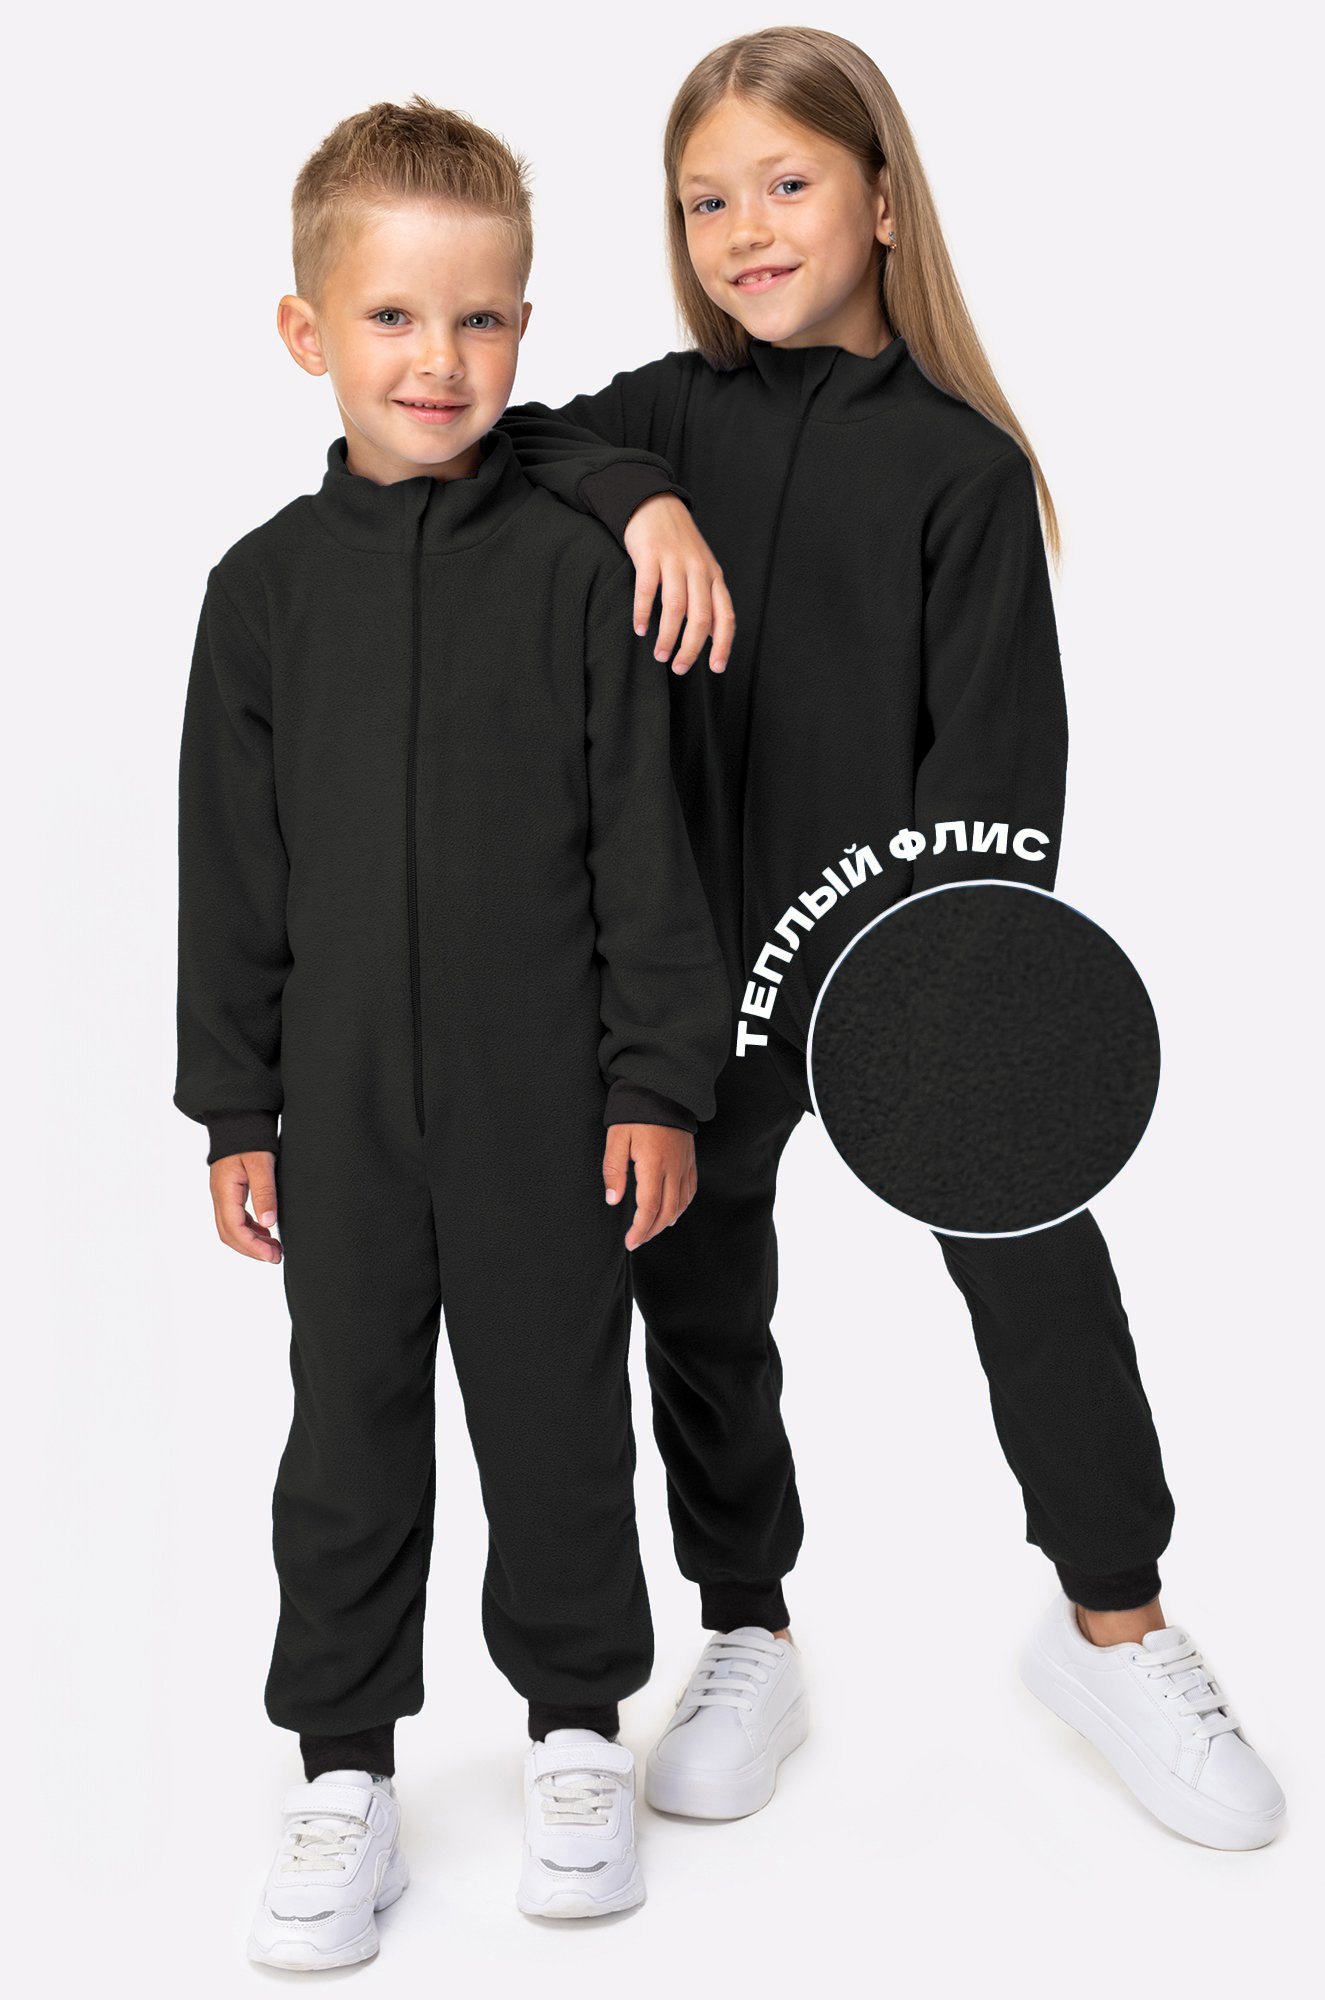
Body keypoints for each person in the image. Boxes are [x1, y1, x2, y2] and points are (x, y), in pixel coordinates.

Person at [495, 27, 1287, 1850]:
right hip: (697, 975)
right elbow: (511, 435)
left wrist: (923, 991)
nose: (745, 231)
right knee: (695, 1283)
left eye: (784, 184)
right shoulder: (661, 418)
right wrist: (641, 495)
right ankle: (746, 1625)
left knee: (1031, 1253)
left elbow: (999, 781)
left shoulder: (959, 468)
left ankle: (1114, 1623)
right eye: (706, 201)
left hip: (898, 967)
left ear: (877, 199)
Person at [173, 95, 733, 1961]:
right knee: (345, 1438)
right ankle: (344, 1773)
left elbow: (648, 854)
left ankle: (576, 1734)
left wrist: (655, 1084)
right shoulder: (261, 595)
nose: (440, 357)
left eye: (481, 317)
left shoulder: (578, 575)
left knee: (558, 1419)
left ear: (523, 327)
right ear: (306, 331)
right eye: (395, 316)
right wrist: (233, 1107)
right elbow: (231, 874)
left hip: (545, 1105)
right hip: (337, 1116)